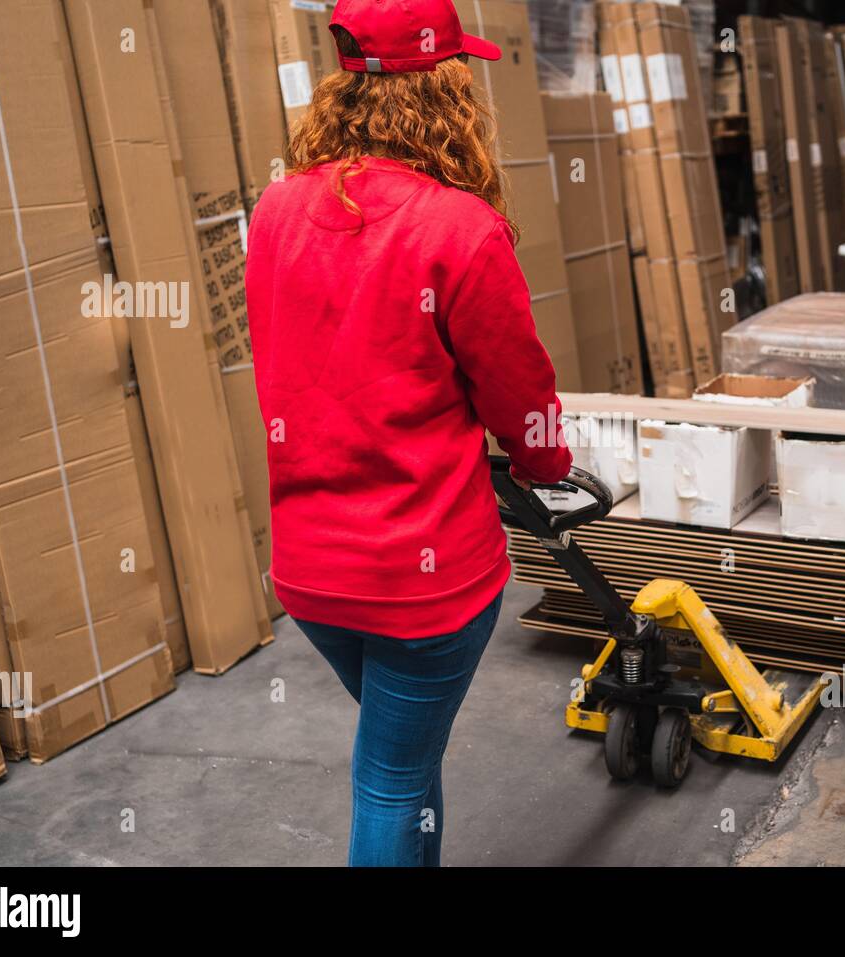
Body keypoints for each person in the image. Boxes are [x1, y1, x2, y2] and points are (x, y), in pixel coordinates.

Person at [244, 0, 572, 867]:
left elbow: (295, 352)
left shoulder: (275, 210)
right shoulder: (460, 229)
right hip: (423, 575)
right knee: (391, 776)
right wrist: (547, 464)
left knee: (402, 756)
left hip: (311, 570)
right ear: (448, 86)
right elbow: (518, 387)